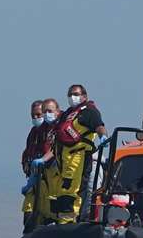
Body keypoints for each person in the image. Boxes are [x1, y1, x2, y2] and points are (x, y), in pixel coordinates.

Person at [39, 85, 106, 225]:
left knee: (74, 192)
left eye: (75, 94)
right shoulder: (69, 113)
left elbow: (99, 126)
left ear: (84, 96)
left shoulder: (89, 112)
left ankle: (71, 222)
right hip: (64, 159)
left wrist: (103, 137)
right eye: (70, 94)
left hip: (79, 157)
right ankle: (61, 222)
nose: (72, 97)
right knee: (63, 192)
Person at [20, 99, 58, 232]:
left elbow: (53, 149)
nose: (36, 118)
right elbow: (28, 152)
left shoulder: (52, 130)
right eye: (33, 116)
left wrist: (41, 161)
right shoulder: (33, 133)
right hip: (34, 182)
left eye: (39, 115)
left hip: (48, 180)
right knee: (29, 216)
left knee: (50, 214)